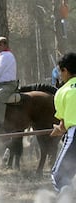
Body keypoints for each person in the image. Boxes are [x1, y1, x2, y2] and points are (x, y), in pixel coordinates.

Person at [50, 52, 76, 193]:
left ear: (65, 70)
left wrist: (58, 130)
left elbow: (63, 125)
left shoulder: (62, 92)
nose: (60, 75)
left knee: (58, 176)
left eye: (60, 71)